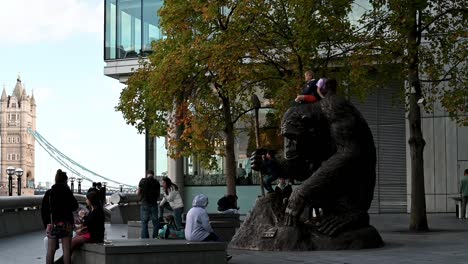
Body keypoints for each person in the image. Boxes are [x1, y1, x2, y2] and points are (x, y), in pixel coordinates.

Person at [41, 169, 79, 264]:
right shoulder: (67, 192)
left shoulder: (49, 193)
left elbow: (44, 211)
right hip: (66, 224)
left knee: (50, 250)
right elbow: (75, 206)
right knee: (66, 250)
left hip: (52, 224)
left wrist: (47, 224)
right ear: (65, 181)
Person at [137, 170, 160, 238]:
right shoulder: (156, 182)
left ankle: (145, 238)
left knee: (144, 223)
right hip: (153, 204)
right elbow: (158, 194)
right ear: (153, 174)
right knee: (155, 223)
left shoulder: (142, 181)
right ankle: (155, 237)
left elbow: (138, 192)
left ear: (146, 174)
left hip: (145, 203)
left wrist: (142, 196)